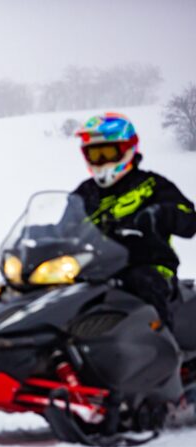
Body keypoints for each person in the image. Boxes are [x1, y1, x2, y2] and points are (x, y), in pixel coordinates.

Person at [72, 112, 196, 327]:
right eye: (95, 154)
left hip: (150, 265)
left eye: (107, 153)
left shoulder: (151, 184)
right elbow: (67, 223)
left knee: (145, 285)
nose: (101, 161)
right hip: (93, 268)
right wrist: (42, 233)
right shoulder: (85, 192)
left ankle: (163, 351)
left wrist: (159, 213)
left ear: (128, 149)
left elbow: (188, 219)